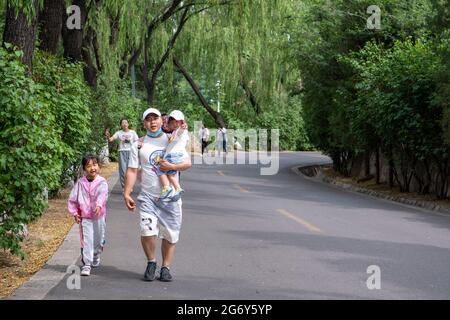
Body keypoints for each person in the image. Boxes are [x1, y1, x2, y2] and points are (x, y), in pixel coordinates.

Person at [123, 108, 192, 282]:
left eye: (155, 119)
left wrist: (172, 167)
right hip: (148, 196)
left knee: (170, 234)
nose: (152, 122)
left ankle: (165, 267)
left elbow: (187, 163)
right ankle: (151, 262)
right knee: (147, 231)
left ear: (162, 121)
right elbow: (132, 170)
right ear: (144, 123)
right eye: (148, 120)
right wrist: (127, 192)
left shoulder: (172, 139)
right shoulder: (138, 144)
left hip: (170, 197)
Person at [68, 154, 109, 277]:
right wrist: (75, 212)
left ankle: (96, 254)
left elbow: (103, 194)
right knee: (87, 240)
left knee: (98, 238)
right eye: (89, 166)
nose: (92, 168)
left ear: (99, 166)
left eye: (95, 165)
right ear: (84, 168)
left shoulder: (102, 182)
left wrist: (99, 205)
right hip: (85, 216)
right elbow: (73, 199)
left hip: (99, 216)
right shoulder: (80, 183)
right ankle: (87, 264)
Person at [156, 110, 189, 200]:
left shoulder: (179, 130)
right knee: (171, 174)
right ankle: (177, 188)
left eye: (176, 122)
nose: (174, 124)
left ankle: (166, 187)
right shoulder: (177, 131)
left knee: (160, 169)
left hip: (173, 155)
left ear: (181, 122)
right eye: (172, 123)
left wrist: (183, 127)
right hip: (176, 156)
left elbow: (180, 132)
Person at [105, 118, 139, 189]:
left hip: (131, 152)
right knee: (123, 171)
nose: (124, 124)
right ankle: (124, 187)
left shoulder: (132, 132)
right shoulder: (119, 133)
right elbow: (111, 139)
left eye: (126, 122)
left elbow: (137, 142)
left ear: (128, 124)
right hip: (122, 152)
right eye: (123, 123)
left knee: (131, 169)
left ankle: (130, 186)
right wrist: (108, 135)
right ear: (121, 125)